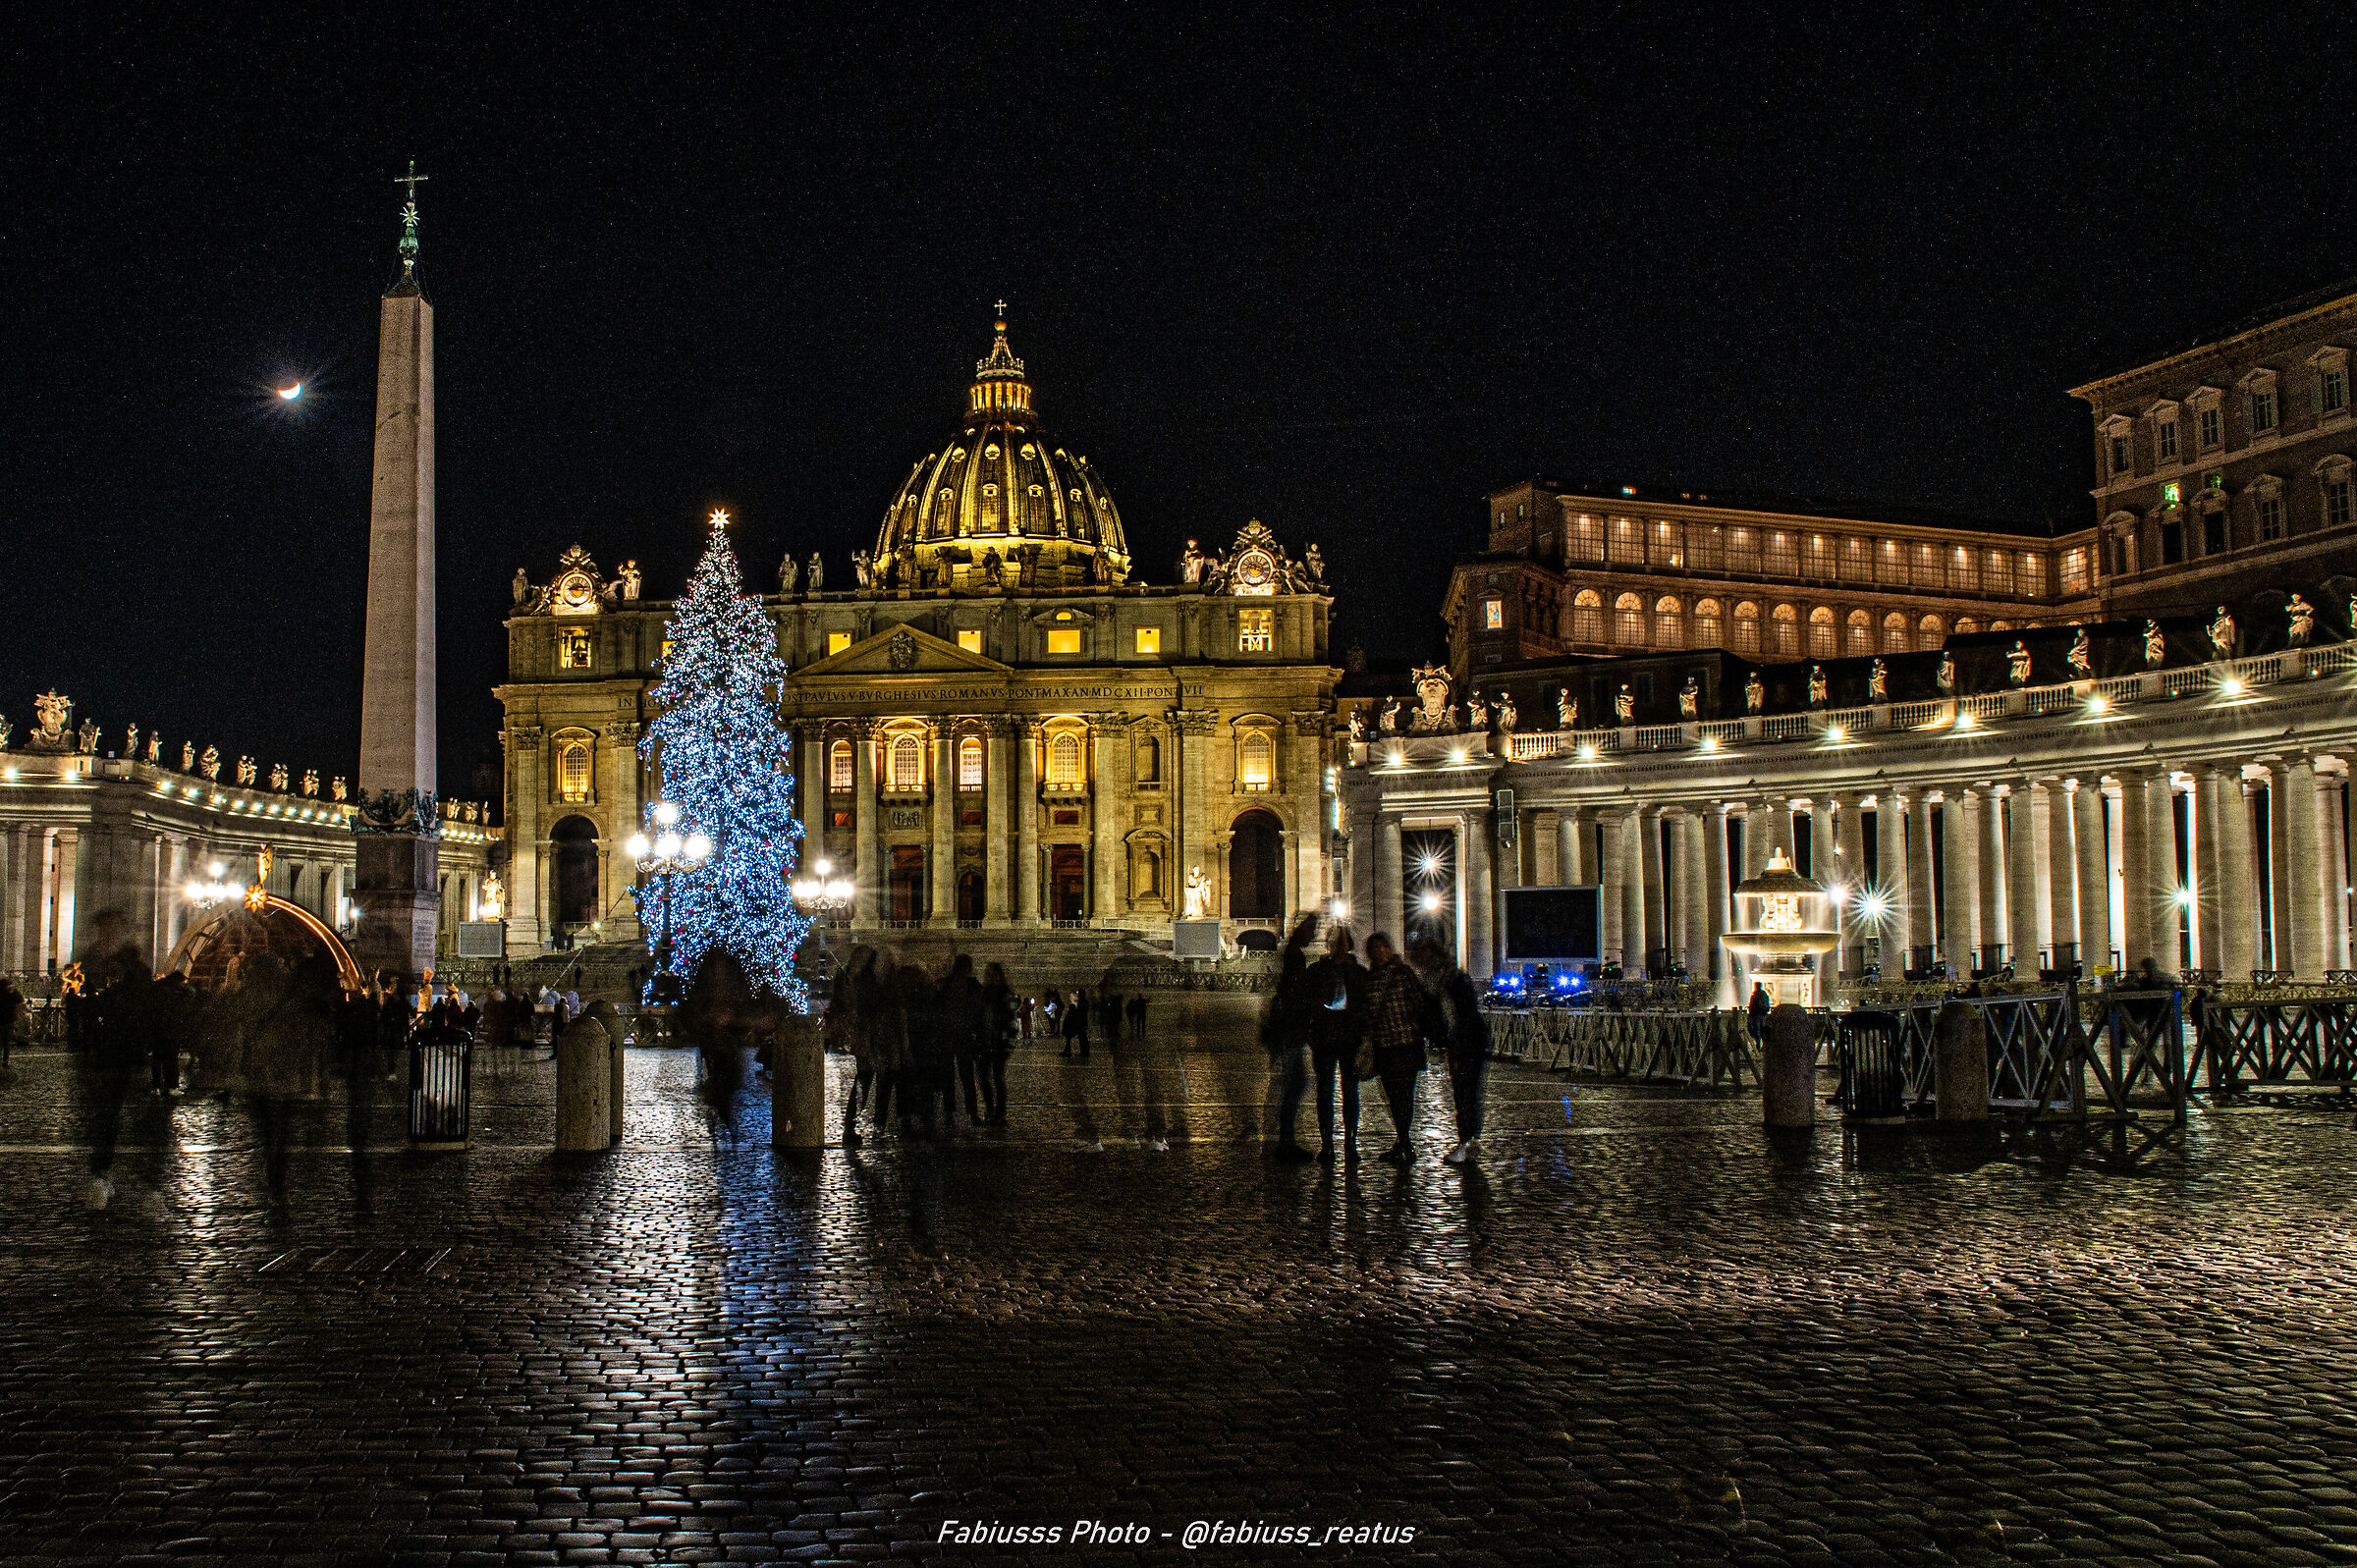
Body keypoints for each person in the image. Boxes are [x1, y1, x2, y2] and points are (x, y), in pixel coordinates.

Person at [1410, 936, 1489, 1164]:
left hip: (1467, 1042)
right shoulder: (1439, 981)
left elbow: (1459, 1016)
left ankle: (1467, 1141)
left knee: (1465, 1093)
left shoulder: (1450, 980)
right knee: (1467, 1093)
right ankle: (1469, 1140)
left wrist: (1456, 1046)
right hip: (1464, 1041)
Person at [1361, 934, 1429, 1164]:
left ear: (1389, 949)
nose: (1379, 952)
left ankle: (1404, 1141)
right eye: (1374, 949)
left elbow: (1419, 1003)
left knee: (1405, 1096)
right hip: (1384, 1046)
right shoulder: (1369, 979)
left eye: (1382, 947)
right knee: (1393, 1097)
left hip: (1406, 1043)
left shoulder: (1403, 973)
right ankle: (1403, 1140)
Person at [1305, 924, 1368, 1162]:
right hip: (1324, 1039)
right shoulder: (1317, 971)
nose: (1339, 947)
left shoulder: (1359, 974)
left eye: (1342, 942)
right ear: (1329, 946)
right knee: (1325, 1093)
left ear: (1349, 945)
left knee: (1350, 1092)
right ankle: (1328, 1145)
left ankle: (1350, 1143)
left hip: (1348, 1040)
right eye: (1335, 942)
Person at [1264, 916, 1322, 1159]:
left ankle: (1283, 1140)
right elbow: (1296, 993)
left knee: (1291, 1083)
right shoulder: (1295, 956)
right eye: (1312, 931)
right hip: (1292, 1029)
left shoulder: (1291, 953)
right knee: (1295, 1083)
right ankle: (1285, 1142)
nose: (1314, 936)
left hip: (1288, 1029)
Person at [939, 953, 987, 1126]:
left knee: (956, 1077)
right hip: (959, 1036)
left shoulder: (947, 985)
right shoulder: (970, 985)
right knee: (963, 1076)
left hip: (954, 1036)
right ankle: (968, 1114)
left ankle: (952, 1114)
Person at [979, 961, 1015, 1124]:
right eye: (990, 975)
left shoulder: (1006, 995)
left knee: (998, 1077)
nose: (993, 978)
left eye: (996, 975)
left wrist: (1009, 1042)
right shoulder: (983, 994)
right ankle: (990, 1109)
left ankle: (1000, 1113)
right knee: (984, 1077)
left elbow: (1011, 1021)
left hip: (1000, 1043)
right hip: (985, 1041)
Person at [1061, 987, 1091, 1059]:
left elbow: (1081, 1013)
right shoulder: (1083, 1001)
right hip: (1081, 1022)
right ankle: (1084, 1051)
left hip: (1081, 1022)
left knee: (1082, 1037)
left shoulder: (1082, 1002)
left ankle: (1084, 1052)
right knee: (1082, 1037)